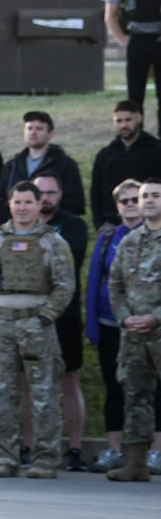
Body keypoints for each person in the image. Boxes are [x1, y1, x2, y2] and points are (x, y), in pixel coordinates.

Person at [0, 181, 76, 479]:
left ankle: (45, 459)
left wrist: (46, 316)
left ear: (37, 205)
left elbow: (64, 284)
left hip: (38, 326)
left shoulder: (53, 242)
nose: (22, 208)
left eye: (28, 202)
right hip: (2, 325)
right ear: (9, 204)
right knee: (1, 394)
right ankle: (5, 457)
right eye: (17, 202)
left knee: (45, 394)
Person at [32, 171, 90, 471]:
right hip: (27, 317)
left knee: (68, 380)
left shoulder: (74, 226)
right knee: (27, 382)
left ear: (60, 195)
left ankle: (76, 449)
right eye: (40, 192)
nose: (45, 198)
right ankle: (29, 448)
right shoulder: (17, 226)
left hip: (63, 314)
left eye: (51, 192)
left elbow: (68, 264)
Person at [86, 180, 142, 474]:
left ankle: (154, 452)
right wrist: (92, 325)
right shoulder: (108, 238)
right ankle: (113, 450)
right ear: (117, 206)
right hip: (110, 323)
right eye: (125, 201)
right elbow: (95, 281)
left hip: (148, 327)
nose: (131, 205)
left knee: (150, 391)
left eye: (136, 200)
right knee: (114, 388)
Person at [107, 178, 161, 481]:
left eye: (155, 195)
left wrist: (156, 316)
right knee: (136, 396)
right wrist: (125, 317)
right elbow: (115, 284)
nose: (149, 201)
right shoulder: (129, 241)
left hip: (158, 328)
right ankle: (137, 463)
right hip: (134, 334)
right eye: (144, 196)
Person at [106, 0, 161, 113]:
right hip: (136, 40)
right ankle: (137, 136)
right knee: (135, 97)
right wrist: (123, 41)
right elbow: (110, 16)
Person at [91, 102, 161, 228]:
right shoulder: (105, 155)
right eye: (119, 121)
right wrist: (99, 223)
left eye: (128, 120)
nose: (124, 125)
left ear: (139, 119)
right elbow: (96, 192)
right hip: (111, 222)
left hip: (149, 223)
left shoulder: (156, 151)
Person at [0, 110, 83, 203]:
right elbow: (0, 199)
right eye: (29, 128)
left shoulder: (66, 165)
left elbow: (75, 203)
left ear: (50, 134)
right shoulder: (13, 165)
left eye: (39, 129)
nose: (33, 132)